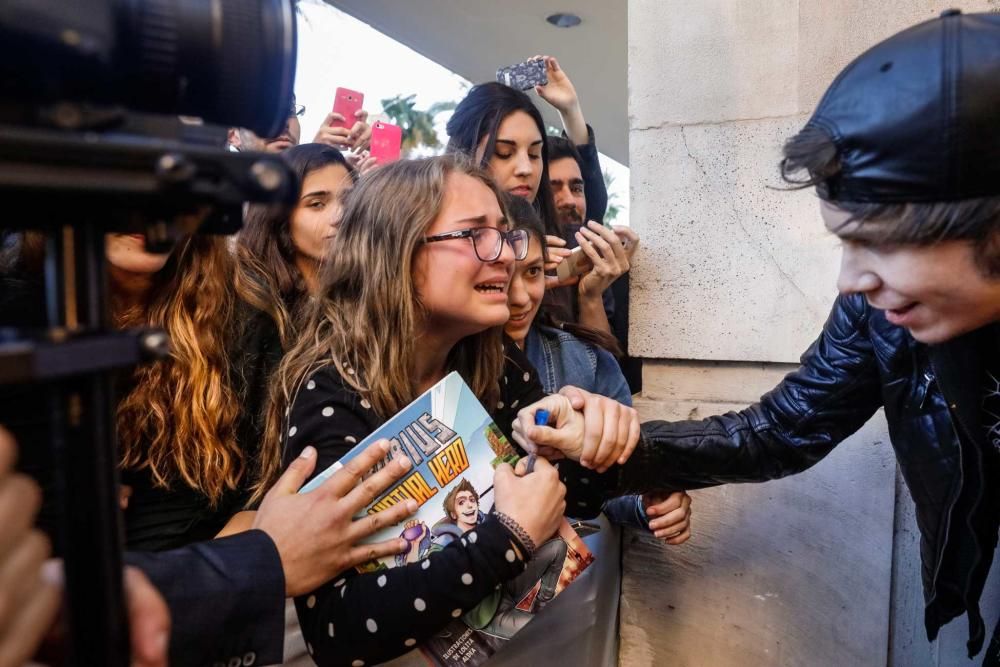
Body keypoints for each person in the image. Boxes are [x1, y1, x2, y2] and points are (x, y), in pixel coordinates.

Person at [514, 10, 1000, 664]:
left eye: (877, 243)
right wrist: (614, 450)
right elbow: (779, 429)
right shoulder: (878, 313)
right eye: (843, 242)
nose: (851, 280)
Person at [260, 154, 634, 666]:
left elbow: (572, 498)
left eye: (505, 233)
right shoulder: (331, 395)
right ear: (397, 251)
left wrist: (592, 443)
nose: (504, 254)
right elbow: (338, 630)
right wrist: (505, 538)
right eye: (476, 234)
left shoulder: (492, 358)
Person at [504, 196, 690, 544]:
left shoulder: (587, 359)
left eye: (532, 272)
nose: (520, 297)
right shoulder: (436, 366)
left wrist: (649, 499)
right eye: (502, 274)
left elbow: (614, 483)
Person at [445, 60, 629, 336]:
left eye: (534, 154)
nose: (525, 169)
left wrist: (571, 110)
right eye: (504, 153)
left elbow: (602, 368)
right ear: (465, 153)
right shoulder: (443, 242)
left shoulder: (559, 248)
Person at [237, 143, 358, 349]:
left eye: (349, 201)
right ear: (278, 215)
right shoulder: (249, 306)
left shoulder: (368, 298)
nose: (340, 216)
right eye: (316, 204)